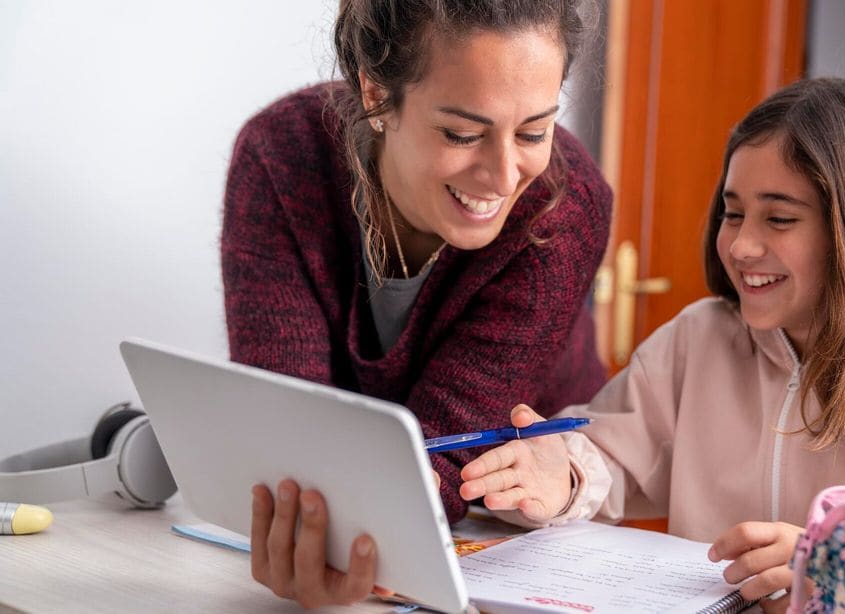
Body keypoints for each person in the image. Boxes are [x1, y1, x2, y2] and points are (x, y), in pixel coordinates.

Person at [459, 78, 845, 613]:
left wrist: (841, 564)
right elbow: (608, 453)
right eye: (733, 213)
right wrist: (559, 475)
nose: (743, 245)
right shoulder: (699, 338)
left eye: (779, 218)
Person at [221, 0, 607, 606]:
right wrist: (323, 508)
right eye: (462, 133)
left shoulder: (564, 209)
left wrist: (355, 508)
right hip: (383, 534)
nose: (505, 176)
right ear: (377, 95)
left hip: (530, 542)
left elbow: (452, 444)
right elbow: (287, 423)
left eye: (534, 131)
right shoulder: (282, 156)